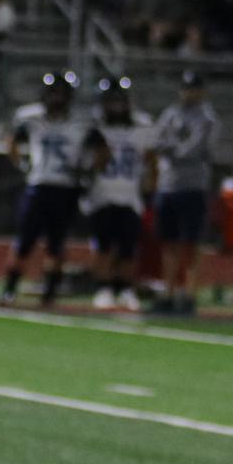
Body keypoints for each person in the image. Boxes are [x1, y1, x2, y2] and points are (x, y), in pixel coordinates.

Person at [0, 72, 106, 308]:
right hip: (38, 184)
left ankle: (49, 292)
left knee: (56, 244)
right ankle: (9, 288)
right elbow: (11, 141)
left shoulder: (82, 122)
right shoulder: (31, 117)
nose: (56, 98)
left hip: (66, 187)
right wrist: (22, 163)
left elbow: (102, 149)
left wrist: (89, 171)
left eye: (61, 93)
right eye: (53, 92)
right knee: (24, 241)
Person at [150, 71, 220, 315]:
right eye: (187, 88)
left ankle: (189, 293)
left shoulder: (207, 118)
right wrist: (171, 148)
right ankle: (167, 292)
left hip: (193, 186)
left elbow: (193, 149)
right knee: (169, 242)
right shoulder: (170, 114)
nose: (190, 92)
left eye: (195, 88)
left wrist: (171, 148)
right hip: (168, 184)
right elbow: (157, 142)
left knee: (192, 243)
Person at [84, 76, 152, 312]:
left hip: (130, 195)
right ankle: (103, 288)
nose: (116, 106)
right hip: (101, 194)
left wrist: (149, 188)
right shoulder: (94, 128)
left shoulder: (141, 126)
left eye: (119, 101)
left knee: (128, 248)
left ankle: (125, 289)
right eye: (111, 101)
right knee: (103, 247)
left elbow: (151, 159)